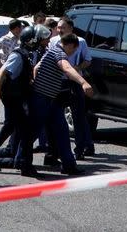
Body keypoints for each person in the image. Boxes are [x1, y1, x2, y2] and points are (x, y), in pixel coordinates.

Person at [0, 25, 52, 177]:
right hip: (12, 97)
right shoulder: (18, 55)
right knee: (25, 131)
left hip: (18, 96)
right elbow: (2, 72)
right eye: (42, 39)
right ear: (32, 41)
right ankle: (25, 166)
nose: (45, 41)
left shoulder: (29, 53)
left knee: (9, 127)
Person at [21, 33, 94, 175]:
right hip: (42, 99)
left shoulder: (51, 50)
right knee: (32, 133)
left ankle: (69, 165)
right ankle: (23, 163)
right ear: (70, 45)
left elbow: (36, 68)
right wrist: (83, 82)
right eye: (73, 50)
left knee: (62, 131)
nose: (72, 53)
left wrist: (38, 83)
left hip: (51, 99)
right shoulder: (59, 53)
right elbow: (66, 68)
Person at [49, 17, 94, 160]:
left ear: (71, 28)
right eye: (58, 27)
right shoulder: (53, 41)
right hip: (58, 82)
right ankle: (55, 150)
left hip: (74, 82)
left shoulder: (80, 42)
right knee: (56, 116)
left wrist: (78, 67)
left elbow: (88, 60)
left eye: (63, 27)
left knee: (78, 116)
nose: (59, 30)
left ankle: (80, 148)